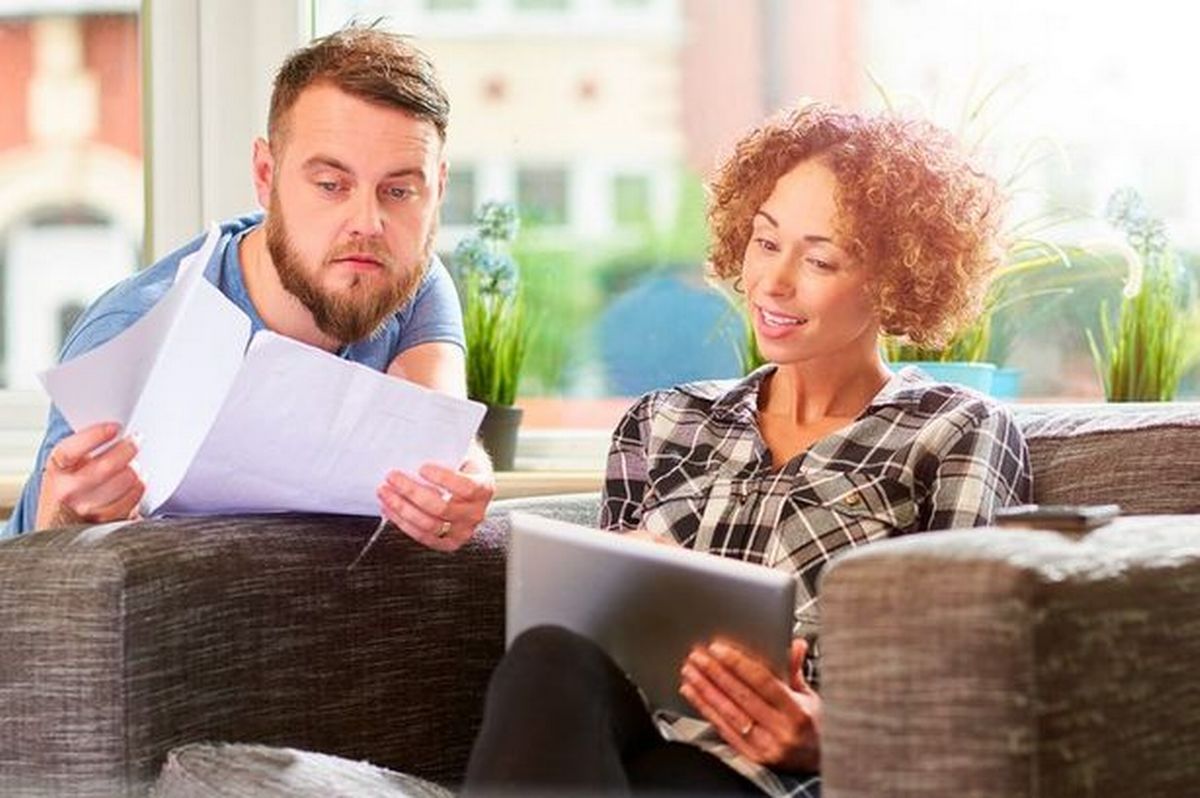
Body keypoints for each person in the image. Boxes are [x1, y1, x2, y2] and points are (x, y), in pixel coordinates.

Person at [461, 103, 1033, 797]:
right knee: (547, 656)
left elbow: (971, 683)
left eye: (820, 257)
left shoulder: (955, 430)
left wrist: (829, 734)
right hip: (628, 753)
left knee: (673, 777)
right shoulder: (663, 421)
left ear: (896, 278)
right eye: (765, 242)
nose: (774, 282)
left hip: (787, 782)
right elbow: (606, 646)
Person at [6, 26, 494, 548]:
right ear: (266, 175)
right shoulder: (134, 327)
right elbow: (34, 576)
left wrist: (465, 478)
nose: (368, 223)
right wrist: (62, 520)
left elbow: (435, 442)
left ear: (437, 190)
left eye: (399, 191)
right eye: (331, 185)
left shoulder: (406, 275)